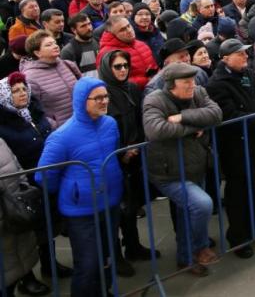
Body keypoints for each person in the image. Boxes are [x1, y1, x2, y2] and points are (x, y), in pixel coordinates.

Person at [36, 78, 123, 296]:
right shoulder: (62, 137)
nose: (104, 102)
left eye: (106, 96)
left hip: (110, 202)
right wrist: (74, 191)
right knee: (88, 263)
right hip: (81, 211)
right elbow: (44, 176)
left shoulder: (110, 124)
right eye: (98, 98)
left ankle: (104, 291)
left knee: (108, 254)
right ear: (82, 100)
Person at [142, 62, 223, 277]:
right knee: (202, 204)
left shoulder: (198, 92)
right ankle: (198, 247)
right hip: (168, 172)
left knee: (187, 213)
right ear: (171, 85)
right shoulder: (154, 99)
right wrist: (197, 125)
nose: (192, 85)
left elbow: (215, 113)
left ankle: (187, 258)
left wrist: (184, 118)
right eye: (186, 82)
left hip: (195, 164)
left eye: (193, 80)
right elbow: (156, 129)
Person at [206, 39, 255, 259]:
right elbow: (230, 115)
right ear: (225, 59)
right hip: (235, 145)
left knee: (254, 186)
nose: (245, 57)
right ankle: (238, 236)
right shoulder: (217, 84)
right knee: (238, 191)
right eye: (239, 54)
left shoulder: (250, 75)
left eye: (246, 53)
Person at [98, 50, 158, 274]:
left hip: (135, 154)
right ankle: (115, 256)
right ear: (107, 68)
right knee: (115, 210)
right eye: (117, 67)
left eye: (125, 65)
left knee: (131, 206)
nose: (123, 70)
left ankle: (133, 245)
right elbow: (103, 129)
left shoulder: (132, 88)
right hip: (114, 159)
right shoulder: (102, 92)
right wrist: (121, 152)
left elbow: (140, 118)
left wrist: (137, 145)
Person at [0, 73, 57, 295]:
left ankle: (49, 264)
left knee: (43, 227)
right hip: (18, 187)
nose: (22, 94)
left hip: (36, 180)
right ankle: (26, 277)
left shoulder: (34, 111)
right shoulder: (4, 124)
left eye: (24, 89)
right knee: (21, 235)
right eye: (15, 91)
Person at [1, 137, 50, 297]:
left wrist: (23, 193)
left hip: (15, 216)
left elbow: (17, 167)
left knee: (16, 267)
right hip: (3, 223)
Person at [20, 30, 81, 129]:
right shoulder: (30, 76)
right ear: (37, 52)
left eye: (55, 43)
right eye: (49, 45)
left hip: (83, 123)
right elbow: (32, 109)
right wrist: (53, 125)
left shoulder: (67, 64)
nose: (55, 46)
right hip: (61, 131)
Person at [96, 15, 159, 88]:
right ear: (113, 34)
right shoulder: (107, 53)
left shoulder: (141, 44)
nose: (129, 30)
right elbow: (112, 83)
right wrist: (146, 81)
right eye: (122, 30)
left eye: (128, 26)